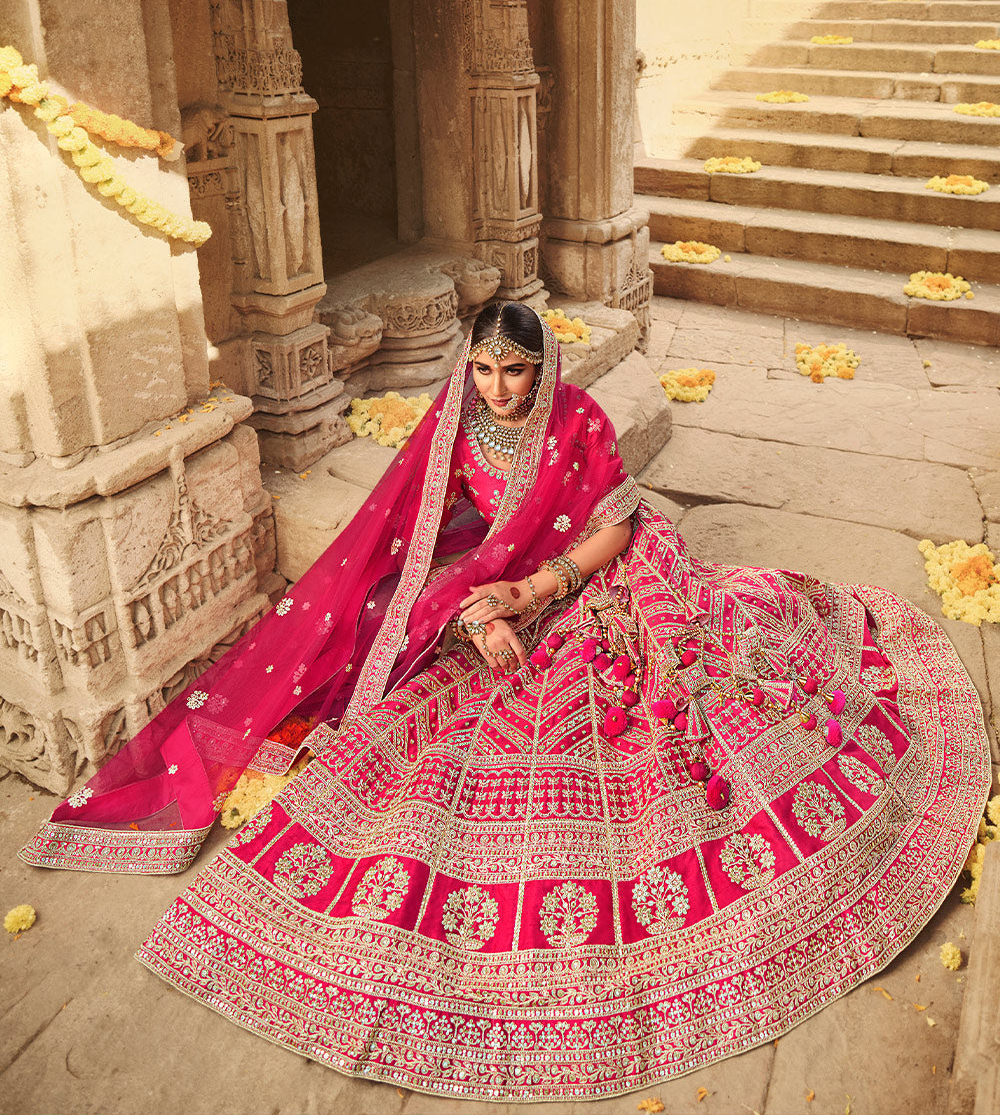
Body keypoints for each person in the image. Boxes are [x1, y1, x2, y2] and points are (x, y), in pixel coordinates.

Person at [20, 301, 990, 1102]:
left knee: (666, 689)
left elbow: (615, 525)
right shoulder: (452, 427)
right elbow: (411, 536)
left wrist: (532, 589)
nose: (497, 387)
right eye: (483, 368)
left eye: (514, 370)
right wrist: (465, 597)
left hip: (598, 573)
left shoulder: (580, 422)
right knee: (423, 648)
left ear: (543, 367)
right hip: (512, 573)